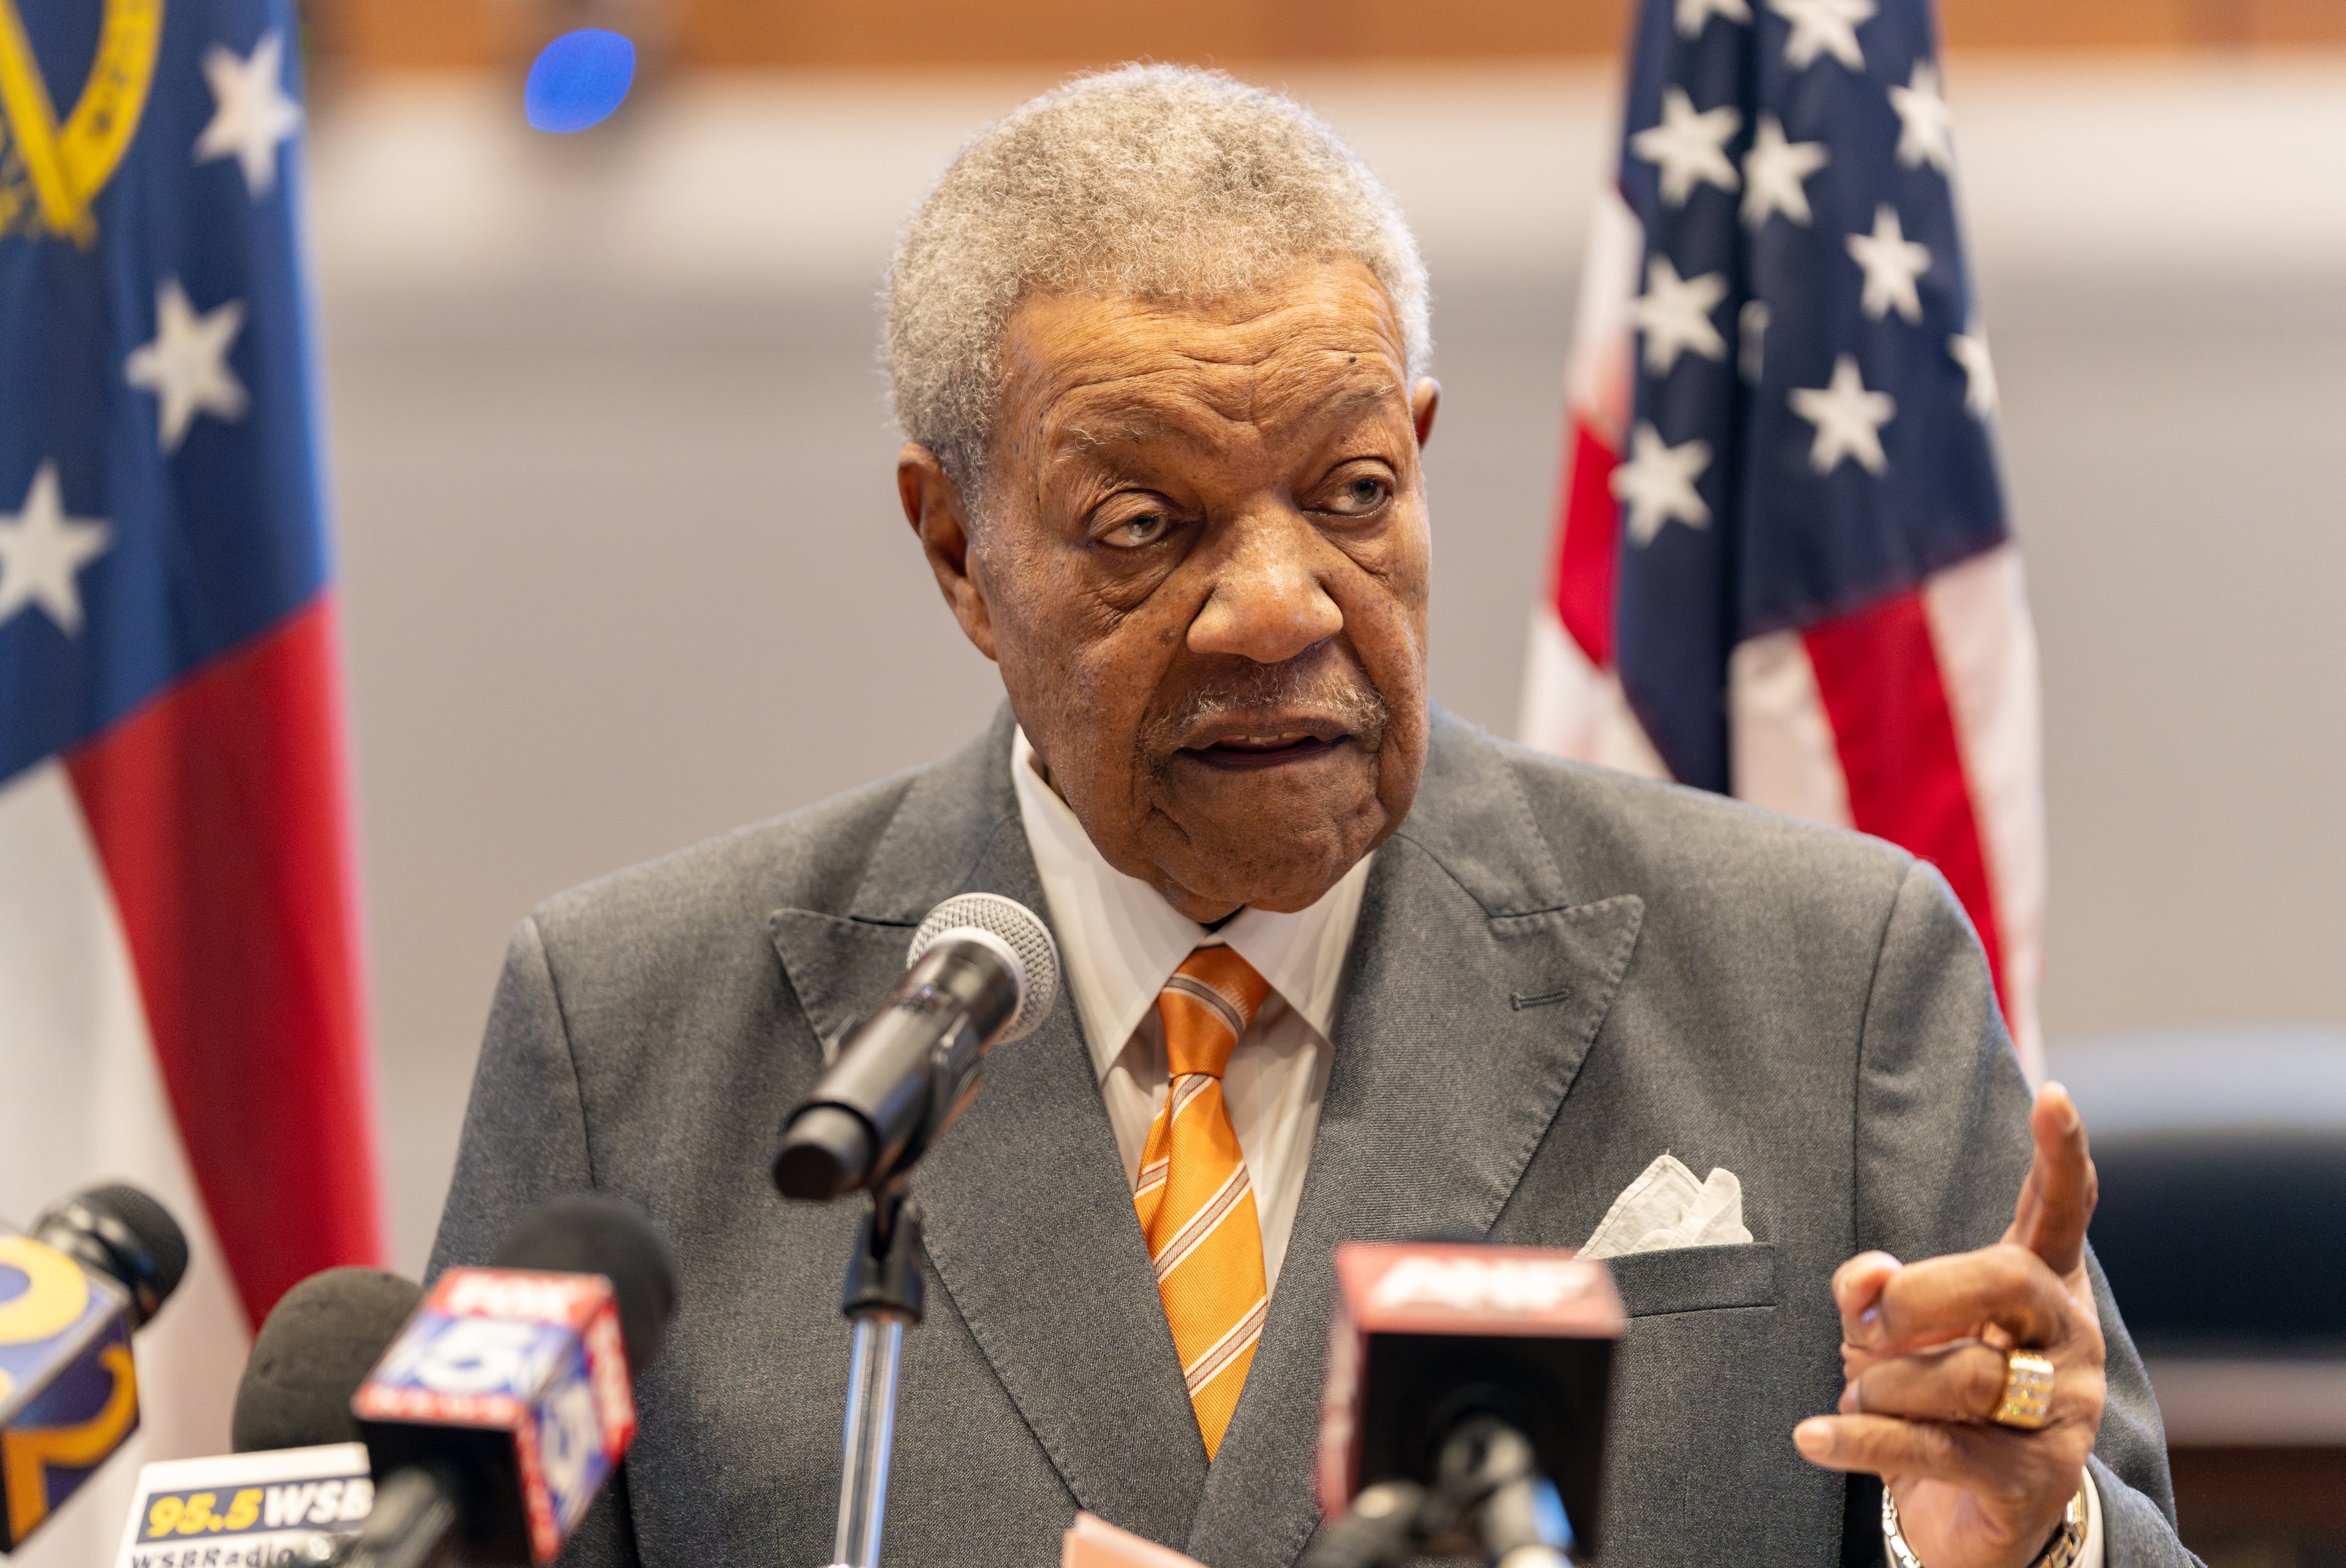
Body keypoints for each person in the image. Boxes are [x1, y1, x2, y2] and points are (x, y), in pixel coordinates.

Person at [431, 65, 2196, 1568]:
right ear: (961, 550)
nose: (1277, 606)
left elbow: (2062, 1513)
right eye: (1146, 526)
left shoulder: (1827, 978)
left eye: (1352, 492)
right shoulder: (628, 1041)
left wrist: (2030, 1543)